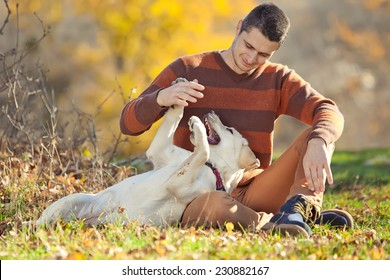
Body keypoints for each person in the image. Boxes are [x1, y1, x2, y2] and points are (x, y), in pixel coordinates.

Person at [119, 3, 353, 237]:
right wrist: (160, 98)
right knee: (219, 205)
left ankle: (298, 211)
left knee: (320, 135)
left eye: (263, 54)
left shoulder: (278, 79)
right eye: (248, 45)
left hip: (253, 191)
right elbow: (128, 125)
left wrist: (319, 141)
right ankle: (273, 225)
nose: (251, 58)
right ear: (239, 27)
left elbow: (327, 109)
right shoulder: (189, 69)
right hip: (192, 195)